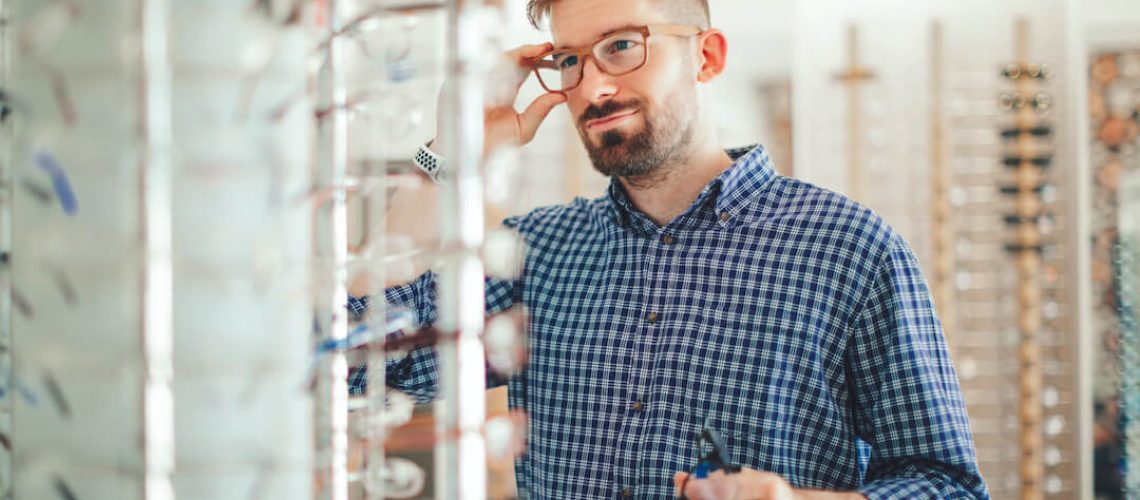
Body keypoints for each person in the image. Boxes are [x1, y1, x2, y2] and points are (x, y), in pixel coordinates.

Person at [351, 0, 989, 498]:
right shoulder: (534, 252)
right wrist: (452, 156)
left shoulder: (850, 249)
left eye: (622, 47)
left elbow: (947, 485)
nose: (593, 88)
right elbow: (356, 357)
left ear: (707, 56)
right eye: (570, 61)